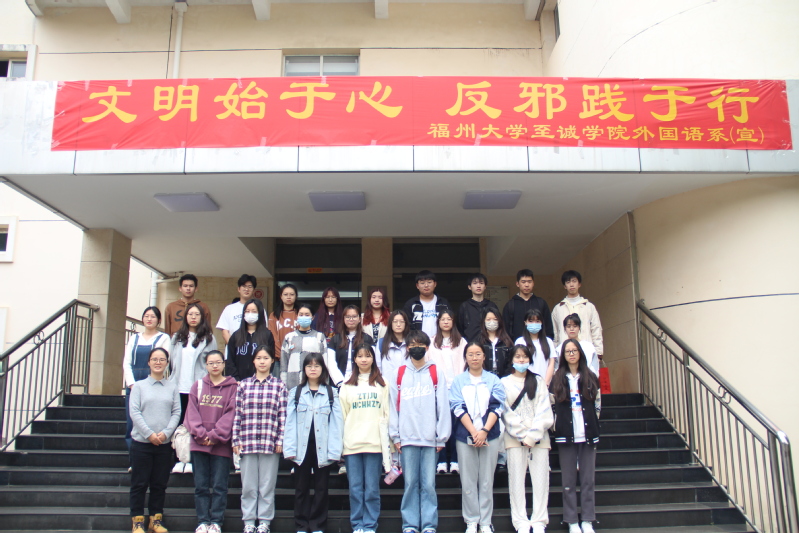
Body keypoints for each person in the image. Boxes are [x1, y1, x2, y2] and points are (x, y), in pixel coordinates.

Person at [389, 330, 451, 533]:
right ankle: (410, 524)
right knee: (410, 484)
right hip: (407, 439)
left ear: (427, 347)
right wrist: (395, 435)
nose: (416, 348)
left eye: (420, 345)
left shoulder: (436, 372)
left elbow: (443, 406)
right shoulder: (399, 373)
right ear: (407, 348)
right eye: (412, 344)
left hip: (430, 439)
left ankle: (429, 525)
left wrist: (442, 437)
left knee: (429, 485)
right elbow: (392, 407)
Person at [449, 341, 505, 533]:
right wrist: (474, 432)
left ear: (484, 356)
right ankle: (471, 521)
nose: (474, 358)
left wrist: (484, 431)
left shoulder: (493, 380)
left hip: (490, 435)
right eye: (470, 354)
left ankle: (485, 522)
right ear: (465, 357)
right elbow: (457, 407)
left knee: (487, 480)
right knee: (468, 480)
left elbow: (497, 406)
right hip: (465, 436)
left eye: (478, 354)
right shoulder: (458, 381)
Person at [284, 352, 343, 533]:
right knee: (301, 488)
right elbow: (290, 423)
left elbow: (337, 424)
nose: (313, 369)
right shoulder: (296, 393)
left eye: (317, 366)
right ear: (304, 369)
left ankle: (318, 525)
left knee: (321, 488)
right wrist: (289, 448)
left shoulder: (331, 393)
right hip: (301, 447)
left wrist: (335, 450)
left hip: (322, 447)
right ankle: (301, 525)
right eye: (309, 366)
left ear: (323, 369)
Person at [233, 345, 287, 533]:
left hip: (269, 443)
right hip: (247, 442)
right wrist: (235, 439)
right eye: (259, 358)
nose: (262, 361)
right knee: (248, 486)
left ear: (272, 361)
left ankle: (264, 521)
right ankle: (249, 521)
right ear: (253, 361)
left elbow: (283, 416)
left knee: (266, 486)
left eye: (266, 358)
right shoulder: (243, 385)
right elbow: (237, 414)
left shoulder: (279, 386)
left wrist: (280, 440)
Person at [501, 345, 554, 533]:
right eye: (517, 356)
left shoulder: (538, 381)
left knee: (541, 481)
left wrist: (532, 436)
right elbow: (505, 412)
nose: (521, 360)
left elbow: (545, 411)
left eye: (524, 357)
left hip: (539, 439)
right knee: (516, 481)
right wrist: (522, 434)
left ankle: (539, 521)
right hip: (514, 440)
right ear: (511, 360)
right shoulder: (504, 383)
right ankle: (521, 521)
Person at [339, 344, 392, 533]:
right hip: (352, 444)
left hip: (375, 444)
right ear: (354, 359)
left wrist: (389, 446)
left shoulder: (382, 383)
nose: (364, 359)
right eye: (360, 356)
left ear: (373, 359)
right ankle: (357, 525)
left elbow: (387, 414)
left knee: (371, 489)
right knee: (355, 488)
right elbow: (342, 417)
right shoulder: (346, 385)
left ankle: (370, 525)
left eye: (368, 356)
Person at [550, 340, 601, 533]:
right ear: (563, 355)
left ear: (580, 353)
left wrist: (593, 423)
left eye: (574, 350)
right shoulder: (557, 378)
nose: (571, 354)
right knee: (568, 482)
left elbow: (598, 403)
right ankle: (571, 520)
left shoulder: (590, 376)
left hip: (587, 434)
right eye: (568, 351)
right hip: (566, 435)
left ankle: (587, 519)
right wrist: (556, 426)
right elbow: (551, 405)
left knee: (588, 480)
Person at [129, 347, 181, 533]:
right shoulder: (139, 387)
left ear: (167, 363)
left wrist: (166, 433)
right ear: (149, 362)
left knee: (159, 484)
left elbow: (176, 412)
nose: (158, 362)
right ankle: (137, 521)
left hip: (163, 445)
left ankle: (155, 520)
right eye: (154, 359)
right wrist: (149, 434)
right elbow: (134, 412)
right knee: (139, 484)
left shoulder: (172, 387)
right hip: (142, 444)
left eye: (162, 359)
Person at [184, 350, 237, 533]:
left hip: (221, 445)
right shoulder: (197, 386)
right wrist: (201, 435)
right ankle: (202, 521)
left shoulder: (233, 387)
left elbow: (231, 414)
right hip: (198, 444)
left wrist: (214, 435)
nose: (215, 366)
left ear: (224, 364)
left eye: (218, 362)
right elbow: (191, 414)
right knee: (201, 486)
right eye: (211, 363)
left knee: (220, 486)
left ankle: (216, 522)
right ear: (206, 365)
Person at [169, 303, 218, 473]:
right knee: (179, 424)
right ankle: (179, 459)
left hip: (198, 389)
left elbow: (213, 363)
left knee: (196, 424)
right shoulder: (177, 337)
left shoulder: (209, 338)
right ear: (185, 317)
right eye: (190, 314)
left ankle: (192, 460)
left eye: (197, 314)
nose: (193, 317)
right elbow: (171, 361)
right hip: (178, 388)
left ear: (202, 317)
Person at [124, 307, 170, 452]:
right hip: (134, 382)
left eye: (153, 316)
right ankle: (133, 456)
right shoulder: (134, 338)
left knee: (152, 419)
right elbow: (127, 362)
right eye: (146, 316)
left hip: (153, 381)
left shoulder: (163, 338)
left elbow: (164, 363)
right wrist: (132, 384)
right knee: (132, 421)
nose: (149, 319)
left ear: (159, 320)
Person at [427, 309, 467, 474]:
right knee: (441, 425)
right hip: (438, 389)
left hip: (457, 389)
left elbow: (466, 363)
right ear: (438, 322)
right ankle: (442, 461)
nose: (445, 322)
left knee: (457, 425)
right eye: (442, 319)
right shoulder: (431, 342)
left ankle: (455, 460)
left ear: (453, 321)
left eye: (449, 319)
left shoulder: (461, 341)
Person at [551, 271, 603, 360]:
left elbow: (596, 330)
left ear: (579, 284)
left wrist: (598, 353)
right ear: (564, 286)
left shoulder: (589, 306)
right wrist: (555, 355)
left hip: (586, 353)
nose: (571, 284)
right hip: (565, 353)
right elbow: (555, 334)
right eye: (568, 282)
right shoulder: (558, 309)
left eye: (574, 281)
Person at [226, 298, 276, 381]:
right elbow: (230, 361)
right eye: (247, 311)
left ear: (260, 313)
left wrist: (262, 378)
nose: (250, 314)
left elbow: (271, 359)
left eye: (254, 311)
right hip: (238, 382)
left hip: (260, 381)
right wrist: (236, 380)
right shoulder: (236, 335)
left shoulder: (267, 335)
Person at [281, 303, 328, 391]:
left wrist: (325, 384)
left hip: (315, 385)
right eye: (301, 314)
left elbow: (325, 362)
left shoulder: (319, 337)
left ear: (312, 317)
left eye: (307, 315)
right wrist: (283, 386)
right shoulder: (289, 337)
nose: (304, 317)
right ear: (297, 316)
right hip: (293, 384)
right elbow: (284, 364)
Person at [326, 305, 375, 387]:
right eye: (348, 317)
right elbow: (331, 363)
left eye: (354, 316)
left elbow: (372, 361)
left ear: (359, 319)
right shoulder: (335, 339)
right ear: (343, 319)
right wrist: (340, 383)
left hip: (362, 384)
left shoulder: (367, 339)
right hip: (338, 384)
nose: (351, 319)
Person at [502, 269, 553, 342]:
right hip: (517, 346)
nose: (526, 285)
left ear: (533, 283)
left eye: (529, 282)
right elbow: (505, 330)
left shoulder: (541, 303)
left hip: (540, 344)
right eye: (523, 282)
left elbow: (548, 327)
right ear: (517, 284)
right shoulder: (510, 305)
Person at [402, 270, 451, 339]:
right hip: (418, 342)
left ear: (435, 284)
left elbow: (452, 322)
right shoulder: (410, 304)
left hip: (441, 341)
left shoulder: (444, 303)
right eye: (422, 283)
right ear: (417, 286)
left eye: (429, 282)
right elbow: (406, 325)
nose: (426, 285)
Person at [514, 309, 556, 385]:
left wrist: (546, 383)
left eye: (537, 321)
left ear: (541, 323)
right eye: (531, 321)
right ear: (525, 322)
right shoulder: (520, 341)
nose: (534, 324)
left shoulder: (548, 341)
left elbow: (551, 363)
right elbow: (517, 362)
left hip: (544, 383)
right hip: (525, 383)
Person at [217, 274, 261, 346]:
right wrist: (233, 347)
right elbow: (225, 332)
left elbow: (263, 330)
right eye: (244, 286)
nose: (246, 289)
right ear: (239, 289)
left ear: (254, 290)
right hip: (233, 349)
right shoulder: (229, 309)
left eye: (250, 287)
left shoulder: (259, 308)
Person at [457, 273, 499, 342]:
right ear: (469, 287)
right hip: (470, 344)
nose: (478, 286)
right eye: (475, 283)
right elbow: (459, 327)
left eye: (481, 283)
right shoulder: (464, 306)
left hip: (489, 343)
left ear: (485, 286)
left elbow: (499, 325)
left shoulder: (491, 305)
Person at [477, 309, 513, 378]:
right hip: (483, 378)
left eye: (495, 319)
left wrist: (505, 379)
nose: (492, 322)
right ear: (484, 321)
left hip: (504, 379)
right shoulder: (479, 341)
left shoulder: (507, 341)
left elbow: (511, 362)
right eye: (488, 319)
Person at [377, 310, 409, 381]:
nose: (398, 324)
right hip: (387, 384)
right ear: (390, 323)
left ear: (406, 324)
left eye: (401, 321)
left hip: (407, 384)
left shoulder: (411, 342)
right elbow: (378, 367)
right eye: (395, 321)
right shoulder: (382, 343)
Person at [268, 283, 299, 357]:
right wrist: (281, 352)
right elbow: (272, 335)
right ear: (281, 296)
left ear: (296, 296)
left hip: (296, 354)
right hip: (277, 356)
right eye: (285, 294)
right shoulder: (273, 315)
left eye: (292, 294)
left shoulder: (300, 314)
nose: (288, 297)